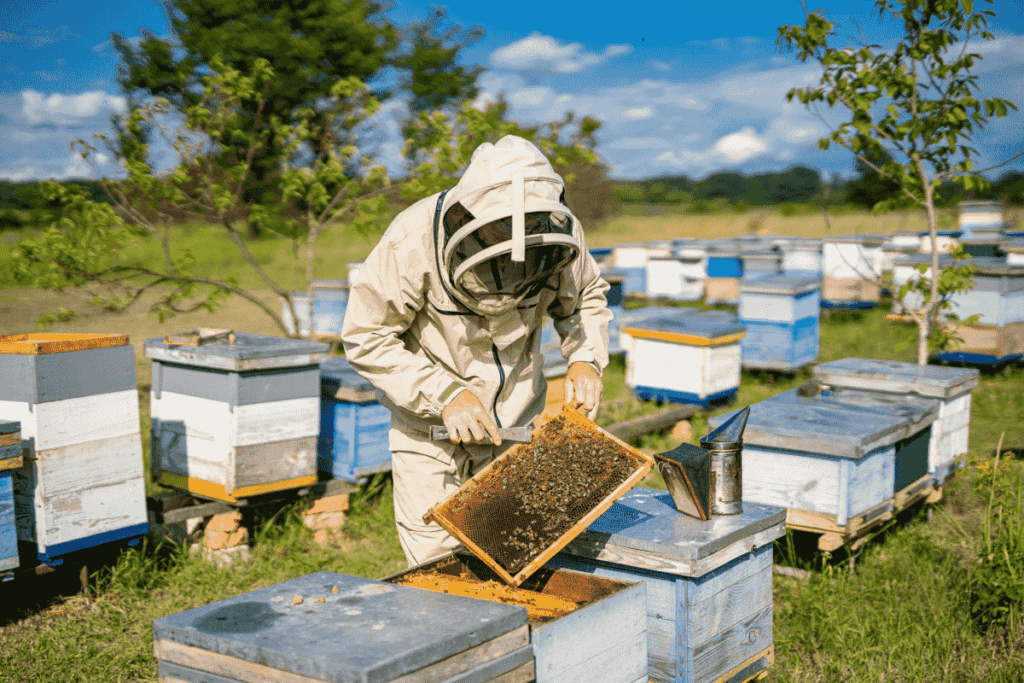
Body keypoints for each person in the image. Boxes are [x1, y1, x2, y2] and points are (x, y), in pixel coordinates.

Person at [341, 135, 613, 568]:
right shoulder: (410, 241)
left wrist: (585, 357)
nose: (513, 241)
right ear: (468, 214)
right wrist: (444, 393)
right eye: (499, 231)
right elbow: (366, 334)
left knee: (514, 552)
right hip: (428, 428)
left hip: (518, 426)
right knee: (436, 564)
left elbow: (585, 300)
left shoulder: (562, 233)